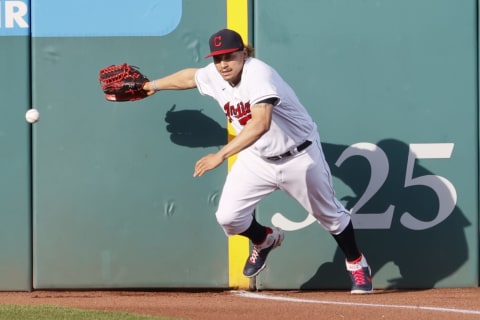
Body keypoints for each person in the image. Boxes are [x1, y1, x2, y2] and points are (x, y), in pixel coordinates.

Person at [143, 28, 373, 294]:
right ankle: (264, 239)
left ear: (243, 53)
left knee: (331, 217)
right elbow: (191, 77)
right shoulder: (215, 74)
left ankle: (356, 262)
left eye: (229, 56)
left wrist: (220, 155)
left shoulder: (259, 74)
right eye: (217, 58)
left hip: (298, 156)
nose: (223, 64)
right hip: (257, 159)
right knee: (228, 217)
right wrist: (153, 86)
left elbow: (261, 123)